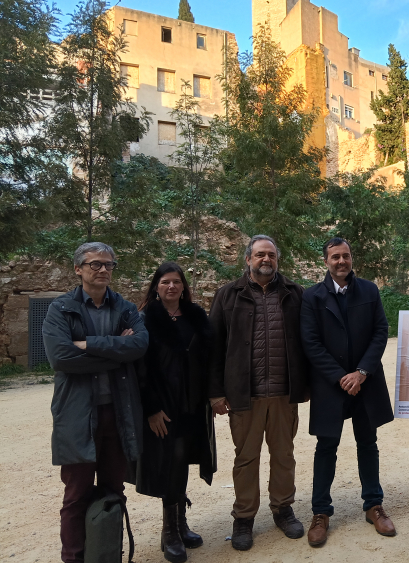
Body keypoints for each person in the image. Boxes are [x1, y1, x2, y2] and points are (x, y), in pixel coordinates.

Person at [42, 242, 149, 563]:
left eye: (109, 264)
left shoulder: (125, 307)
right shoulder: (61, 309)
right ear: (78, 269)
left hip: (118, 414)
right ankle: (74, 559)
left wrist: (86, 344)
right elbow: (61, 357)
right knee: (76, 495)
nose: (103, 269)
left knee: (113, 491)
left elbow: (140, 345)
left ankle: (106, 556)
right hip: (77, 415)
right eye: (95, 264)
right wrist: (117, 351)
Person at [208, 235, 308, 550]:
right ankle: (243, 517)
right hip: (244, 395)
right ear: (248, 259)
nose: (266, 260)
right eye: (260, 255)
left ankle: (283, 509)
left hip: (282, 394)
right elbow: (213, 347)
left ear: (277, 260)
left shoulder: (294, 294)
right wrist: (215, 393)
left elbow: (308, 341)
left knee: (284, 456)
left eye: (271, 255)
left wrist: (308, 384)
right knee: (246, 458)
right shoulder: (228, 295)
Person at [300, 237, 395, 547]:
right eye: (335, 257)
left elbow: (380, 331)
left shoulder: (369, 290)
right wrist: (341, 377)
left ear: (352, 258)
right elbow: (310, 342)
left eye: (346, 256)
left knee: (368, 443)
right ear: (326, 261)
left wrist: (362, 372)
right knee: (326, 447)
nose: (341, 261)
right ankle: (320, 512)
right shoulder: (311, 297)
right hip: (331, 386)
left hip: (365, 383)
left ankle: (373, 505)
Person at [136, 262, 216, 563]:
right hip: (164, 406)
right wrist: (151, 409)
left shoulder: (195, 316)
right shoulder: (145, 319)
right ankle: (169, 532)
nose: (171, 287)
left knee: (182, 460)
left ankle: (181, 524)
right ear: (156, 287)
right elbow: (141, 368)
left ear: (184, 287)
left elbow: (208, 358)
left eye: (177, 282)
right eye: (165, 282)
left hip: (192, 404)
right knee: (171, 461)